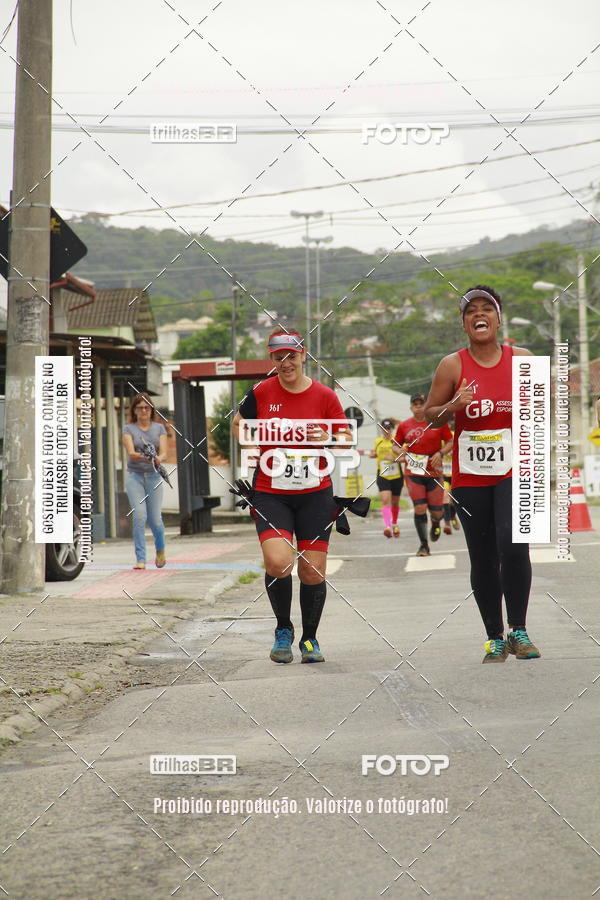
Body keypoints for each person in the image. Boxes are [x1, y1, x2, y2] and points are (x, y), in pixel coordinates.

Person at [424, 285, 541, 663]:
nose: (479, 314)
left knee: (514, 544)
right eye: (471, 310)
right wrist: (453, 405)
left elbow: (540, 415)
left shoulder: (522, 359)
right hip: (471, 475)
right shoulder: (452, 365)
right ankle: (494, 636)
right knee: (484, 556)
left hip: (515, 470)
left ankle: (518, 630)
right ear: (464, 323)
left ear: (498, 317)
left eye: (486, 309)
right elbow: (430, 413)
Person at [232, 329, 351, 665]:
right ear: (272, 359)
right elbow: (239, 424)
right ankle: (283, 628)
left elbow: (344, 439)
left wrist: (326, 434)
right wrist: (250, 441)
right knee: (278, 561)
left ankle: (310, 639)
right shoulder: (260, 392)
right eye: (278, 357)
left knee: (312, 571)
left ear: (303, 356)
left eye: (291, 356)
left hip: (315, 493)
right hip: (271, 492)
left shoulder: (325, 395)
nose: (286, 363)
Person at [394, 393, 453, 557]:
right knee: (419, 508)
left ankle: (436, 522)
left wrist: (440, 454)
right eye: (415, 404)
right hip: (413, 472)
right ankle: (424, 545)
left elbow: (450, 441)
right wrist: (401, 451)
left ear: (426, 405)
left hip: (433, 472)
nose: (418, 406)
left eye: (421, 403)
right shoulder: (404, 426)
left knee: (436, 512)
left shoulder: (437, 423)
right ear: (411, 407)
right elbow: (396, 445)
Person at [122, 393, 168, 570]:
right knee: (140, 516)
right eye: (140, 407)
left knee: (155, 519)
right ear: (134, 410)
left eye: (147, 407)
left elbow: (164, 452)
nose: (143, 411)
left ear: (151, 410)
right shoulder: (129, 429)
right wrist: (147, 457)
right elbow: (131, 454)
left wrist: (159, 458)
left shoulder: (159, 429)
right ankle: (140, 559)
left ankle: (160, 550)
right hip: (135, 477)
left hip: (154, 477)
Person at [370, 418, 403, 537]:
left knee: (395, 502)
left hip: (396, 475)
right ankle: (387, 526)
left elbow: (405, 458)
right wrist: (373, 454)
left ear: (392, 429)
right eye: (384, 428)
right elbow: (375, 453)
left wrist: (394, 459)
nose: (386, 431)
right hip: (383, 475)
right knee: (385, 500)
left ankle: (394, 523)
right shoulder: (378, 441)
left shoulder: (396, 441)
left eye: (389, 428)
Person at [441, 432, 460, 535]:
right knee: (445, 497)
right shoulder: (438, 436)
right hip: (444, 474)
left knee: (454, 499)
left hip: (455, 474)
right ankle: (447, 524)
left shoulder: (453, 435)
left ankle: (453, 515)